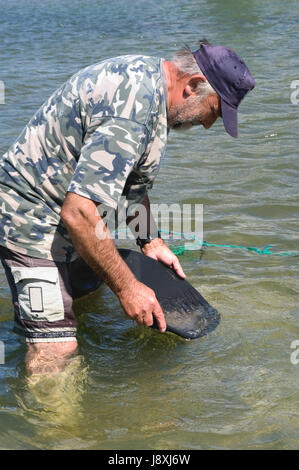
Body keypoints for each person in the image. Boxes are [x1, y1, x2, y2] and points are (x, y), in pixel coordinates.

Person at [0, 41, 255, 374]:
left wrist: (151, 241)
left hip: (71, 211)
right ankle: (52, 425)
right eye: (215, 112)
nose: (208, 125)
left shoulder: (155, 92)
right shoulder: (131, 113)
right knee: (57, 347)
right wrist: (128, 288)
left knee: (86, 297)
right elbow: (78, 213)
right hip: (30, 214)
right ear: (193, 87)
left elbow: (131, 187)